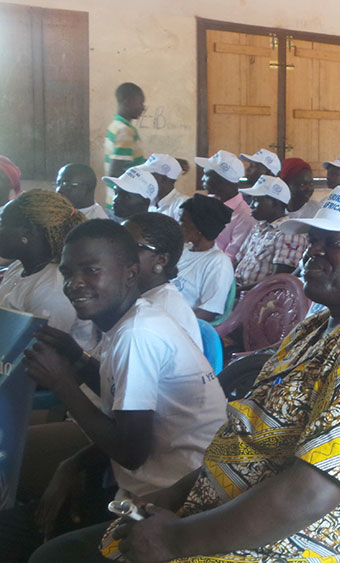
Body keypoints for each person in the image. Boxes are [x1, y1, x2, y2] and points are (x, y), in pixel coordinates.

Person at [95, 186, 340, 563]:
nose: (314, 253)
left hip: (296, 545)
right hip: (233, 514)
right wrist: (175, 495)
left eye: (335, 243)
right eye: (313, 241)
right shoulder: (320, 326)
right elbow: (247, 441)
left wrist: (174, 540)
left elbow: (311, 494)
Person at [10, 219, 226, 563]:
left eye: (91, 270)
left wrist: (63, 383)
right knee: (22, 523)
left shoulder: (137, 334)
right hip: (146, 480)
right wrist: (77, 360)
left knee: (42, 552)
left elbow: (131, 450)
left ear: (129, 273)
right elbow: (125, 397)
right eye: (68, 273)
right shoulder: (130, 322)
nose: (74, 284)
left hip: (173, 496)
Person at [0, 190, 88, 345]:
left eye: (2, 223)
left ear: (26, 233)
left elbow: (35, 354)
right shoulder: (19, 267)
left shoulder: (52, 290)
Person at [122, 212, 203, 351]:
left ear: (161, 260)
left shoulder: (154, 314)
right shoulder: (138, 296)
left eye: (129, 246)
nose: (116, 253)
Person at [234, 175, 307, 289]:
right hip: (238, 288)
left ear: (274, 203)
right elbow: (238, 261)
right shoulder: (259, 227)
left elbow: (279, 280)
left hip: (260, 298)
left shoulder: (288, 232)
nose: (251, 205)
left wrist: (237, 292)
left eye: (256, 200)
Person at [174, 194, 235, 322]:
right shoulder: (183, 251)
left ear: (199, 229)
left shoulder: (218, 263)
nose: (179, 227)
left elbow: (208, 312)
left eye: (183, 222)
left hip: (182, 327)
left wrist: (171, 324)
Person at [195, 150, 252, 262]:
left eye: (206, 175)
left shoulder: (245, 216)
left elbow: (230, 257)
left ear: (222, 180)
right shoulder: (207, 203)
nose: (202, 179)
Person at [104, 82, 145, 177]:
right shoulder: (125, 131)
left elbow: (132, 161)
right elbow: (115, 173)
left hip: (115, 190)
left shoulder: (115, 125)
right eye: (140, 103)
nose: (143, 108)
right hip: (124, 191)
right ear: (128, 102)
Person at [137, 154, 188, 222]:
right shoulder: (149, 203)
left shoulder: (182, 205)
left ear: (163, 179)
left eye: (150, 175)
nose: (145, 178)